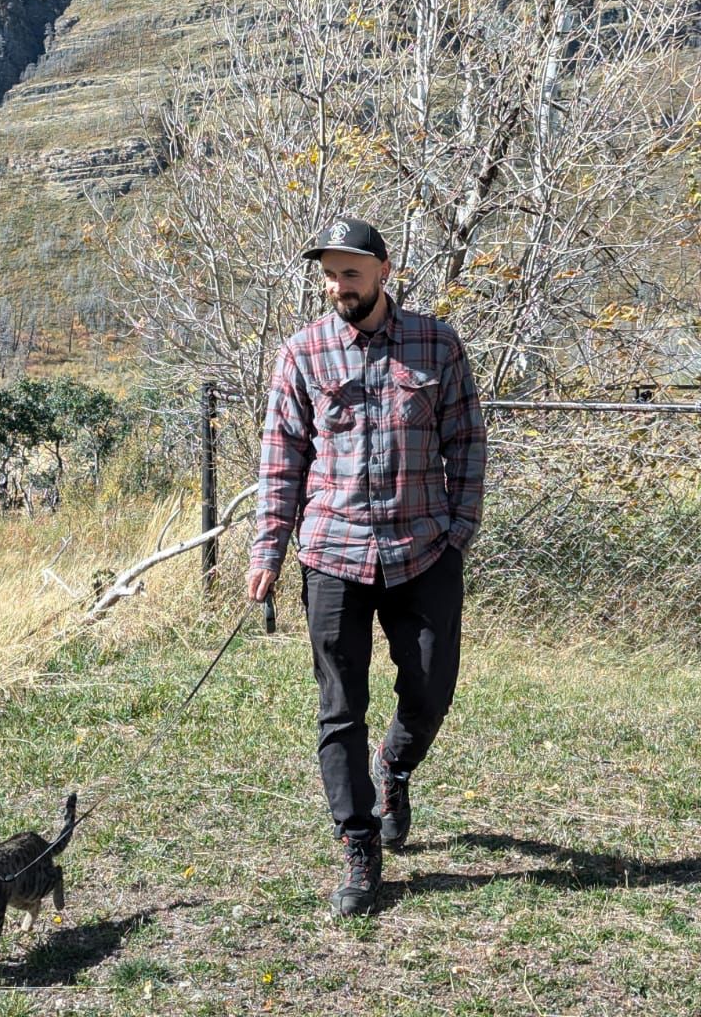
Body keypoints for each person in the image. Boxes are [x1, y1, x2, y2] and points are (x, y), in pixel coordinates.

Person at [246, 216, 485, 917]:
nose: (336, 286)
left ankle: (396, 768)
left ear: (384, 272)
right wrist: (269, 548)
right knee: (339, 708)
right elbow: (281, 458)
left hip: (423, 550)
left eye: (350, 272)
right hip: (332, 552)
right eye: (328, 274)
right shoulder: (302, 353)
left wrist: (458, 532)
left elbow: (466, 440)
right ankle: (357, 844)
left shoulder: (435, 343)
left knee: (432, 687)